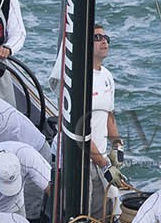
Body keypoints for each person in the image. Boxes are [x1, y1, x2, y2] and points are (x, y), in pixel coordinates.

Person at [50, 23, 122, 179]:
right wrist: (104, 165)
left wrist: (117, 146)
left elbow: (109, 116)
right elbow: (80, 131)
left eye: (106, 38)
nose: (104, 41)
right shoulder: (76, 80)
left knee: (106, 201)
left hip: (98, 159)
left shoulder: (107, 76)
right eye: (97, 38)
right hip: (74, 158)